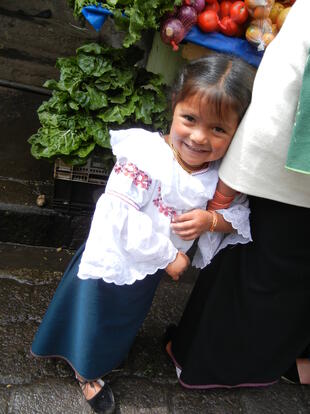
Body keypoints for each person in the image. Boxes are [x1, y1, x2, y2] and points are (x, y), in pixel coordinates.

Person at [31, 53, 256, 413]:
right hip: (116, 255)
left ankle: (100, 353)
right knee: (93, 313)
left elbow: (237, 216)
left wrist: (209, 221)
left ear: (237, 134)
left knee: (124, 317)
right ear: (174, 106)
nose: (199, 137)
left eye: (218, 130)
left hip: (151, 268)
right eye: (190, 119)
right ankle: (87, 373)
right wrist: (171, 256)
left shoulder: (218, 177)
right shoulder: (144, 156)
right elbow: (117, 214)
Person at [167, 0, 310, 389]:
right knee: (282, 277)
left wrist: (228, 186)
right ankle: (261, 365)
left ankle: (208, 362)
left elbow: (277, 99)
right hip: (291, 177)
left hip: (287, 173)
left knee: (258, 271)